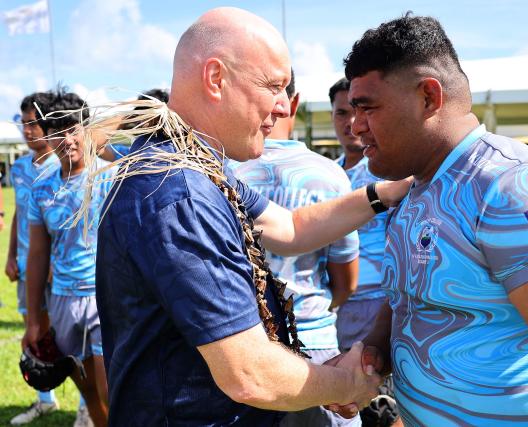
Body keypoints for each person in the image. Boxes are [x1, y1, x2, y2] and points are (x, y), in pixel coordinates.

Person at [93, 8, 410, 426]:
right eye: (273, 86)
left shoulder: (202, 167)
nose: (283, 107)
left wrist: (385, 193)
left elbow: (291, 228)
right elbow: (249, 373)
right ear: (215, 78)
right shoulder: (178, 193)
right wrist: (346, 384)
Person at [342, 14, 528, 425]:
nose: (356, 128)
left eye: (367, 108)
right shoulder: (418, 188)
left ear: (428, 96)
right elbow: (410, 302)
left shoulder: (517, 186)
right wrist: (373, 351)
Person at [230, 70, 362, 427]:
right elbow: (346, 280)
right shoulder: (330, 175)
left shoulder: (222, 172)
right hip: (315, 345)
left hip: (246, 347)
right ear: (294, 103)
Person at [24, 89, 114, 427]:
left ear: (86, 129)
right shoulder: (42, 189)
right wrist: (35, 319)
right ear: (47, 136)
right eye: (57, 132)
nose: (67, 140)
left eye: (73, 129)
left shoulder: (111, 177)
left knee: (109, 388)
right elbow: (36, 255)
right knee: (87, 388)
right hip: (63, 300)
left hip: (107, 297)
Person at [329, 78, 402, 427]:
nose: (350, 122)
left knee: (388, 407)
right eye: (341, 112)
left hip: (384, 306)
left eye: (359, 111)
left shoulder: (394, 174)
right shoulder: (326, 175)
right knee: (345, 406)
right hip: (340, 310)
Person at [6, 92, 60, 425]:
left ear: (48, 126)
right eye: (23, 124)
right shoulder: (20, 167)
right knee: (33, 333)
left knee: (65, 338)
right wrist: (11, 255)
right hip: (27, 268)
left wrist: (55, 262)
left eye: (33, 124)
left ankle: (86, 405)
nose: (27, 131)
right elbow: (19, 214)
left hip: (58, 272)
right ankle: (45, 399)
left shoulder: (64, 165)